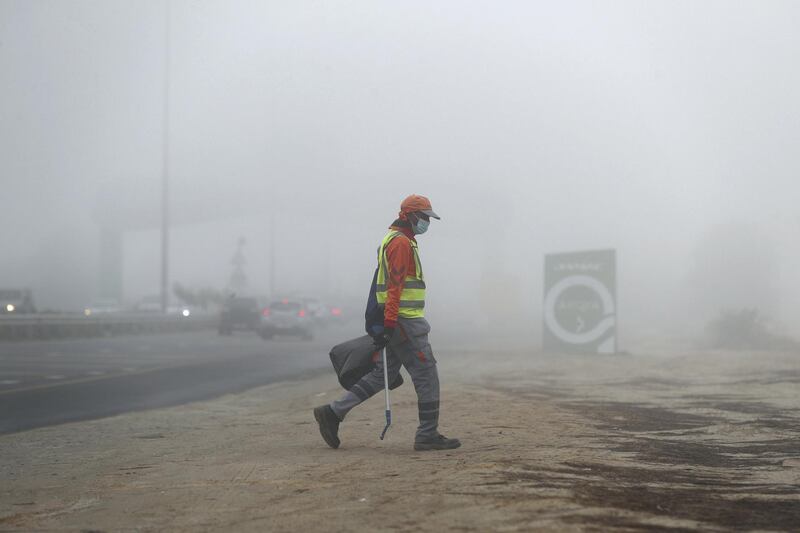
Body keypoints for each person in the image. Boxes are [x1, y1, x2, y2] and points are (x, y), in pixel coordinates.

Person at [314, 194, 461, 451]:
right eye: (424, 217)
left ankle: (333, 413)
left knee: (384, 374)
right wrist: (390, 323)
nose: (428, 222)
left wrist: (387, 323)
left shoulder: (394, 240)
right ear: (410, 216)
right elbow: (395, 287)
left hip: (398, 321)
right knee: (427, 375)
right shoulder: (401, 244)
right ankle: (427, 434)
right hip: (405, 323)